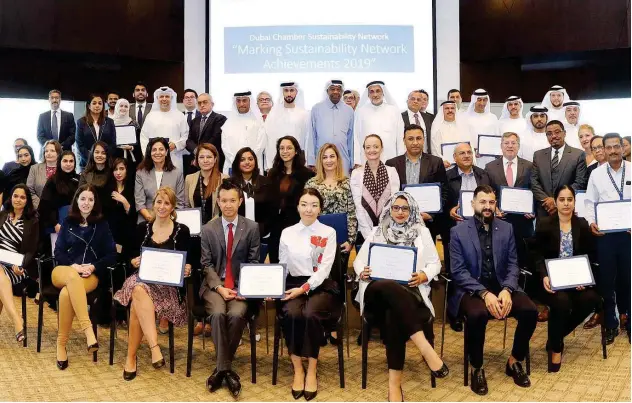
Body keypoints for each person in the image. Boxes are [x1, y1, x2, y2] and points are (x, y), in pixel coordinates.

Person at [354, 192, 448, 401]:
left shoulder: (422, 233)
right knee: (387, 285)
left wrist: (424, 275)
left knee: (393, 316)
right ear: (389, 209)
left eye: (405, 208)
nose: (399, 212)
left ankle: (394, 386)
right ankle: (425, 348)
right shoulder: (378, 232)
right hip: (375, 292)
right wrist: (363, 271)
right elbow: (358, 261)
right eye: (395, 207)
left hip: (410, 293)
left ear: (412, 210)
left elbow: (435, 264)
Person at [449, 185, 537, 395]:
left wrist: (507, 289)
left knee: (530, 311)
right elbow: (458, 271)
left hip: (502, 286)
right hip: (471, 290)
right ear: (473, 204)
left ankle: (514, 360)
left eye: (491, 202)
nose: (487, 206)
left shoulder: (506, 228)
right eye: (482, 202)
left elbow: (513, 264)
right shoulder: (458, 231)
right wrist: (484, 293)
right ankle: (477, 366)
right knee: (477, 314)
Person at [114, 187, 192, 380]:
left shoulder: (183, 231)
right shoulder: (142, 229)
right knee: (139, 288)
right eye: (158, 202)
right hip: (141, 279)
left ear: (173, 206)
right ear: (153, 204)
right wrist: (132, 260)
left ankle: (131, 358)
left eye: (167, 203)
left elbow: (191, 260)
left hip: (168, 288)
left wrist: (187, 267)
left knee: (136, 305)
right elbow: (126, 255)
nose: (162, 206)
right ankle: (154, 348)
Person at [199, 180, 261, 397]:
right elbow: (205, 264)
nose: (228, 205)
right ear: (218, 201)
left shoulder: (251, 227)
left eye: (232, 200)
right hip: (214, 286)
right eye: (223, 200)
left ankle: (220, 370)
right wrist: (218, 287)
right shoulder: (208, 229)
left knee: (236, 314)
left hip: (239, 287)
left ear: (240, 201)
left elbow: (254, 263)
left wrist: (243, 288)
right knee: (217, 313)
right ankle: (227, 371)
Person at [278, 188, 340, 401]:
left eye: (314, 205)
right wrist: (273, 287)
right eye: (304, 204)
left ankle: (312, 367)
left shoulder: (328, 232)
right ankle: (298, 368)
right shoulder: (287, 232)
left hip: (320, 284)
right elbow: (282, 265)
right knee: (292, 314)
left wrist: (304, 288)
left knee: (312, 313)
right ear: (297, 207)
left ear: (320, 208)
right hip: (293, 282)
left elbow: (324, 269)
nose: (309, 209)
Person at [533, 185, 601, 371]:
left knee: (591, 299)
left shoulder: (582, 224)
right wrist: (544, 275)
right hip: (551, 281)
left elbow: (590, 255)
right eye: (562, 199)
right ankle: (556, 348)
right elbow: (536, 255)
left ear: (574, 202)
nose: (566, 203)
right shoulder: (545, 224)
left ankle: (556, 336)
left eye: (569, 199)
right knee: (561, 302)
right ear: (555, 201)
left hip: (575, 279)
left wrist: (584, 278)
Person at [52, 184, 117, 370]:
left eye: (90, 199)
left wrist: (93, 266)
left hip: (89, 275)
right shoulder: (68, 222)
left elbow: (111, 254)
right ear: (77, 200)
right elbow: (58, 252)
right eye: (83, 199)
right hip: (64, 270)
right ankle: (88, 330)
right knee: (71, 277)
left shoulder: (102, 225)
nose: (86, 203)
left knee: (66, 295)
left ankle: (61, 345)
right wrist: (73, 266)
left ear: (95, 202)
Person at [584, 132, 631, 344]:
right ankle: (610, 323)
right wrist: (592, 222)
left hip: (628, 235)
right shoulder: (597, 174)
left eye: (616, 146)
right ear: (603, 149)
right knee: (607, 281)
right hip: (605, 236)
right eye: (608, 147)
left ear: (622, 147)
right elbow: (589, 202)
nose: (612, 151)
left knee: (628, 279)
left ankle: (628, 320)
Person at [443, 142, 491, 332]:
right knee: (457, 270)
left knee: (477, 267)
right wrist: (450, 209)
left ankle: (478, 303)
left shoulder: (483, 174)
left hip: (482, 228)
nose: (466, 156)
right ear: (454, 158)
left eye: (469, 152)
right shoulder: (447, 176)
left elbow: (490, 197)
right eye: (461, 153)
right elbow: (442, 200)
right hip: (458, 230)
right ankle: (455, 312)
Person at [305, 143, 358, 284]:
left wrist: (351, 240)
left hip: (342, 241)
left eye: (332, 156)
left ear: (338, 159)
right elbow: (306, 213)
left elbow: (352, 211)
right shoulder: (312, 184)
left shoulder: (347, 183)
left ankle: (341, 305)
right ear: (320, 161)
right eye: (325, 157)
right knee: (320, 279)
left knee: (338, 279)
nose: (329, 160)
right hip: (317, 241)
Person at [386, 123, 447, 241]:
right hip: (399, 222)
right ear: (404, 141)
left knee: (426, 257)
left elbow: (444, 191)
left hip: (427, 223)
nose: (415, 142)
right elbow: (388, 194)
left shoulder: (436, 162)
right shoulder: (392, 164)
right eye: (410, 139)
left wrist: (431, 214)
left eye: (418, 138)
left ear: (424, 140)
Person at [485, 132, 535, 269]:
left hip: (523, 222)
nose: (510, 146)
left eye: (513, 143)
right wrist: (494, 208)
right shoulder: (490, 167)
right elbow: (487, 192)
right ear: (501, 146)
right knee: (500, 258)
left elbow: (535, 190)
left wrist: (533, 210)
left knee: (522, 259)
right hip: (500, 220)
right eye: (506, 143)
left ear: (518, 146)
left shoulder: (530, 166)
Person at [0, 184, 39, 343]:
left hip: (15, 266)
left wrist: (21, 266)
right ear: (11, 197)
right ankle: (17, 319)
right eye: (15, 196)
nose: (18, 199)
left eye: (22, 197)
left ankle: (17, 321)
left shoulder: (32, 222)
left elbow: (31, 251)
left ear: (27, 200)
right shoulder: (2, 215)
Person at [266, 136, 315, 263]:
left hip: (297, 225)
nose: (285, 151)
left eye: (289, 148)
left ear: (296, 151)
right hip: (276, 226)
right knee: (276, 263)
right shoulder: (272, 173)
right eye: (281, 148)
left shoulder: (307, 175)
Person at [531, 120, 588, 217]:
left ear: (564, 133)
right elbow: (534, 181)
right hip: (544, 210)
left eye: (557, 132)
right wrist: (547, 200)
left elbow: (580, 182)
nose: (553, 136)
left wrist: (558, 200)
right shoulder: (538, 155)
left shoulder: (578, 155)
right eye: (549, 134)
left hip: (567, 210)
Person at [350, 135, 400, 241]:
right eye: (368, 147)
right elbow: (358, 206)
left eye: (375, 146)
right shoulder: (356, 173)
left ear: (381, 148)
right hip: (364, 231)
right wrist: (369, 237)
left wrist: (384, 233)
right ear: (364, 150)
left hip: (388, 230)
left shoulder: (392, 171)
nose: (372, 150)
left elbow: (393, 203)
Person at [229, 147, 278, 240]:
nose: (247, 162)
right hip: (235, 235)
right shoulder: (229, 184)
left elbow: (273, 211)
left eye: (250, 159)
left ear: (255, 162)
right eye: (242, 160)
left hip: (262, 235)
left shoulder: (267, 183)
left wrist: (262, 229)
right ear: (237, 163)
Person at [306, 80, 355, 173]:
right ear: (327, 91)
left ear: (342, 92)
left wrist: (352, 162)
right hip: (322, 159)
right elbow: (312, 136)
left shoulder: (349, 111)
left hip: (343, 159)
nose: (336, 91)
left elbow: (351, 138)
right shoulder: (317, 109)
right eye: (332, 89)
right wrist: (311, 161)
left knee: (343, 185)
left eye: (338, 89)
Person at [353, 81, 405, 166]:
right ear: (368, 95)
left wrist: (401, 159)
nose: (375, 95)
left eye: (378, 91)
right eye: (371, 92)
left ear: (383, 93)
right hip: (367, 159)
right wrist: (357, 160)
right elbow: (356, 138)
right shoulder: (361, 112)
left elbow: (400, 138)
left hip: (390, 158)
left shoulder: (394, 111)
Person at [135, 137, 185, 223]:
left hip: (170, 221)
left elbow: (180, 203)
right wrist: (152, 220)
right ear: (150, 153)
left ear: (166, 152)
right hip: (147, 220)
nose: (157, 153)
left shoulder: (177, 173)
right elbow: (140, 204)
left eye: (161, 149)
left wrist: (166, 221)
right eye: (154, 150)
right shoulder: (140, 173)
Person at [140, 86, 189, 173]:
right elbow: (143, 137)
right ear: (157, 98)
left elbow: (186, 136)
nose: (164, 99)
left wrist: (176, 144)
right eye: (161, 97)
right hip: (154, 158)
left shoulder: (180, 116)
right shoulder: (150, 116)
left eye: (167, 96)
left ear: (171, 98)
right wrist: (147, 154)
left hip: (174, 157)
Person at [265, 82, 310, 171]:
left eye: (292, 90)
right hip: (278, 161)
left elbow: (307, 140)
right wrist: (269, 165)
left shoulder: (304, 114)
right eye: (286, 90)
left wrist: (307, 162)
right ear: (282, 92)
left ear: (296, 92)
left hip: (298, 161)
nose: (289, 94)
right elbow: (269, 141)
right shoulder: (273, 114)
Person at [221, 91, 266, 175]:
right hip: (233, 165)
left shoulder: (258, 122)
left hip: (253, 165)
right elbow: (225, 146)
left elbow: (260, 145)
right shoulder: (228, 123)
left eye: (244, 100)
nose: (241, 104)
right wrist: (237, 161)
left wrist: (249, 160)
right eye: (238, 101)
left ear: (250, 102)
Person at [38, 150, 79, 234]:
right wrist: (55, 224)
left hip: (76, 224)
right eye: (65, 161)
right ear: (59, 162)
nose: (68, 164)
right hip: (57, 226)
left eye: (71, 161)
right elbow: (44, 205)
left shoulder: (79, 179)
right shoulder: (53, 181)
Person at [185, 143, 227, 223]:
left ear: (215, 159)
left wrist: (210, 226)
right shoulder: (189, 179)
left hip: (217, 226)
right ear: (196, 160)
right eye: (201, 157)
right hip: (195, 226)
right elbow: (187, 206)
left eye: (209, 157)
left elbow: (226, 207)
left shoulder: (224, 179)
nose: (205, 160)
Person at [185, 93, 227, 172]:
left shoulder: (220, 119)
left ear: (212, 104)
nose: (202, 105)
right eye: (199, 103)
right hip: (196, 162)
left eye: (205, 102)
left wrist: (200, 152)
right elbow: (189, 140)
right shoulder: (194, 121)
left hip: (214, 160)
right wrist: (197, 152)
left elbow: (215, 138)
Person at [75, 94, 116, 171]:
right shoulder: (81, 122)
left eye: (100, 103)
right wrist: (92, 159)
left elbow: (113, 144)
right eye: (94, 103)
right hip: (86, 163)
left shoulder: (110, 122)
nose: (97, 105)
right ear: (89, 106)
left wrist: (103, 158)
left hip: (105, 163)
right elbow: (79, 145)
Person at [106, 158, 137, 259]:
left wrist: (124, 201)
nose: (118, 173)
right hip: (111, 234)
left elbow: (134, 214)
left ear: (127, 170)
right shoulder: (108, 188)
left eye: (121, 169)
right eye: (115, 169)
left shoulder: (133, 188)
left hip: (129, 234)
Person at [464, 89, 499, 168]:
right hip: (470, 157)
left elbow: (497, 138)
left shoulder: (493, 118)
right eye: (479, 100)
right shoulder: (465, 117)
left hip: (489, 158)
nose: (482, 103)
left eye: (484, 100)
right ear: (474, 100)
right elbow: (463, 137)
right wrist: (473, 151)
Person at [430, 101, 470, 168]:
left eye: (452, 108)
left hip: (462, 165)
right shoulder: (437, 127)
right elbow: (434, 148)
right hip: (445, 166)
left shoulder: (462, 126)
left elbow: (467, 145)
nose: (450, 110)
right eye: (447, 108)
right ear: (442, 111)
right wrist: (441, 161)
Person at [79, 141, 113, 213]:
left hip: (108, 212)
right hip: (88, 212)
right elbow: (81, 195)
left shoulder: (112, 173)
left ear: (107, 155)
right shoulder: (85, 173)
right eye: (97, 152)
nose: (99, 155)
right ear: (92, 154)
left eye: (103, 153)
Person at [27, 139, 61, 209]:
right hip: (38, 209)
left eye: (52, 151)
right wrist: (40, 205)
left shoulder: (64, 169)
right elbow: (29, 190)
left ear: (58, 153)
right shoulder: (34, 168)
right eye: (46, 151)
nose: (48, 153)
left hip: (59, 208)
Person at [112, 98, 143, 167]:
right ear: (117, 107)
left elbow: (139, 144)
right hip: (114, 158)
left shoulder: (134, 124)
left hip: (130, 159)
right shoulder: (109, 123)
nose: (123, 108)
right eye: (121, 106)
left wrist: (132, 147)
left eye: (126, 106)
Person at [402, 89, 435, 154]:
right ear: (407, 101)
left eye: (418, 100)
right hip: (407, 156)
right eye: (413, 99)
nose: (415, 101)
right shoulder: (400, 117)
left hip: (427, 157)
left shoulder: (428, 118)